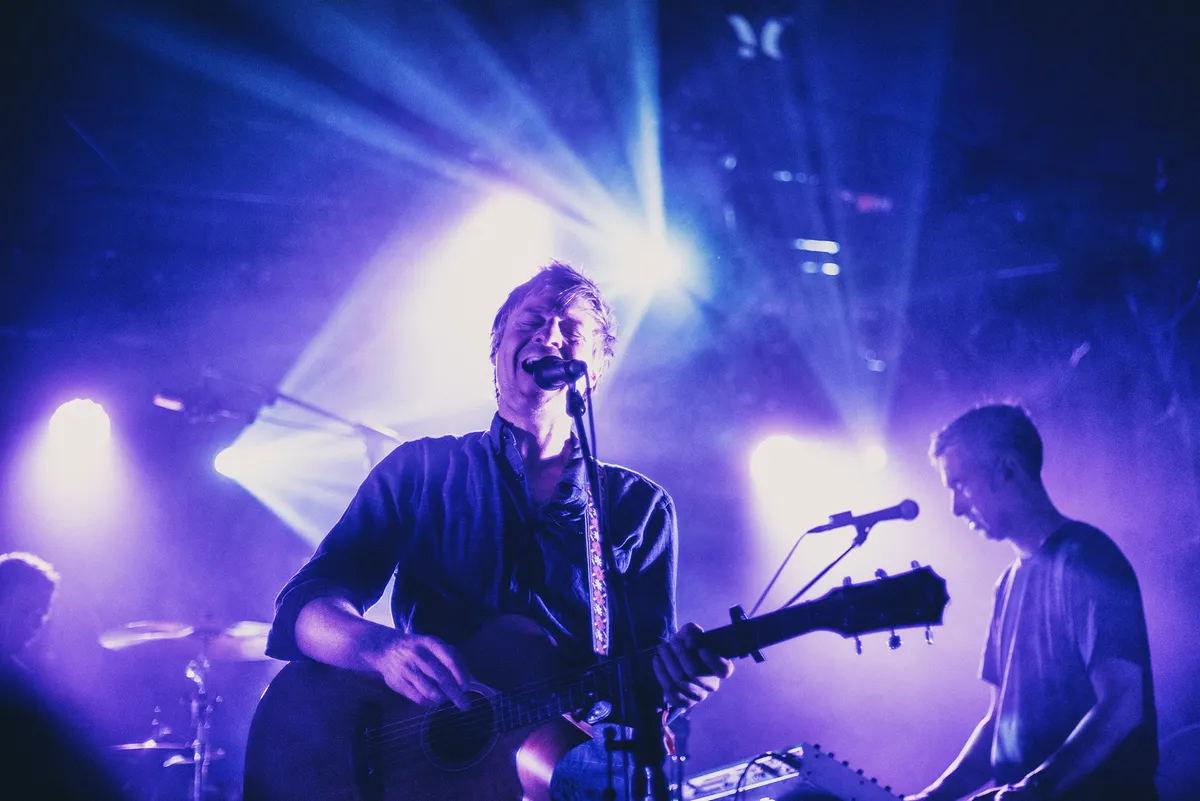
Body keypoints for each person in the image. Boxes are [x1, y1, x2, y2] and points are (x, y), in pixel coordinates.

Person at [264, 261, 733, 799]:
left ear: (597, 369)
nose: (549, 336)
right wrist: (380, 649)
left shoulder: (639, 508)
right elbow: (305, 611)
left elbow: (641, 687)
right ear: (497, 352)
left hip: (568, 779)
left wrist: (679, 682)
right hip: (424, 775)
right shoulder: (419, 469)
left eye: (571, 331)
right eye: (531, 322)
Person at [908, 404, 1157, 801]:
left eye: (961, 484)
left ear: (1006, 469)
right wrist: (932, 796)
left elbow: (1123, 702)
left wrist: (1036, 788)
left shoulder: (1088, 558)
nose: (955, 507)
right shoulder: (1006, 585)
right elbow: (998, 723)